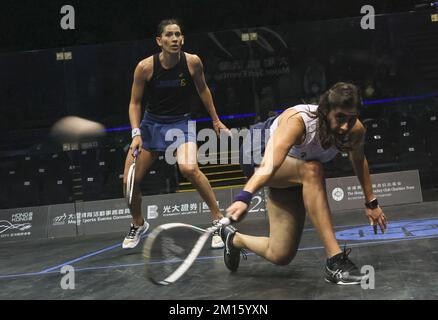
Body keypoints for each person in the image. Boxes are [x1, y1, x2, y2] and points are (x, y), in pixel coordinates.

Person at [222, 82, 388, 285]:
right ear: (326, 111)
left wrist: (371, 203)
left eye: (351, 118)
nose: (346, 126)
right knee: (313, 170)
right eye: (340, 117)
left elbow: (358, 160)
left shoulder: (355, 131)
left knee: (280, 254)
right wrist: (244, 197)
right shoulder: (299, 122)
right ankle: (334, 261)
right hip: (257, 152)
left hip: (293, 168)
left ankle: (233, 239)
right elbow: (268, 165)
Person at [122, 19, 230, 249]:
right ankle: (138, 223)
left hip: (181, 122)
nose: (175, 39)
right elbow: (134, 103)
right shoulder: (145, 68)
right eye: (169, 35)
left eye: (178, 34)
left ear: (183, 38)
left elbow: (203, 89)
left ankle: (219, 221)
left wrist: (215, 120)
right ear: (159, 41)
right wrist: (136, 133)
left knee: (189, 168)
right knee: (130, 182)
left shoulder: (192, 62)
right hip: (151, 125)